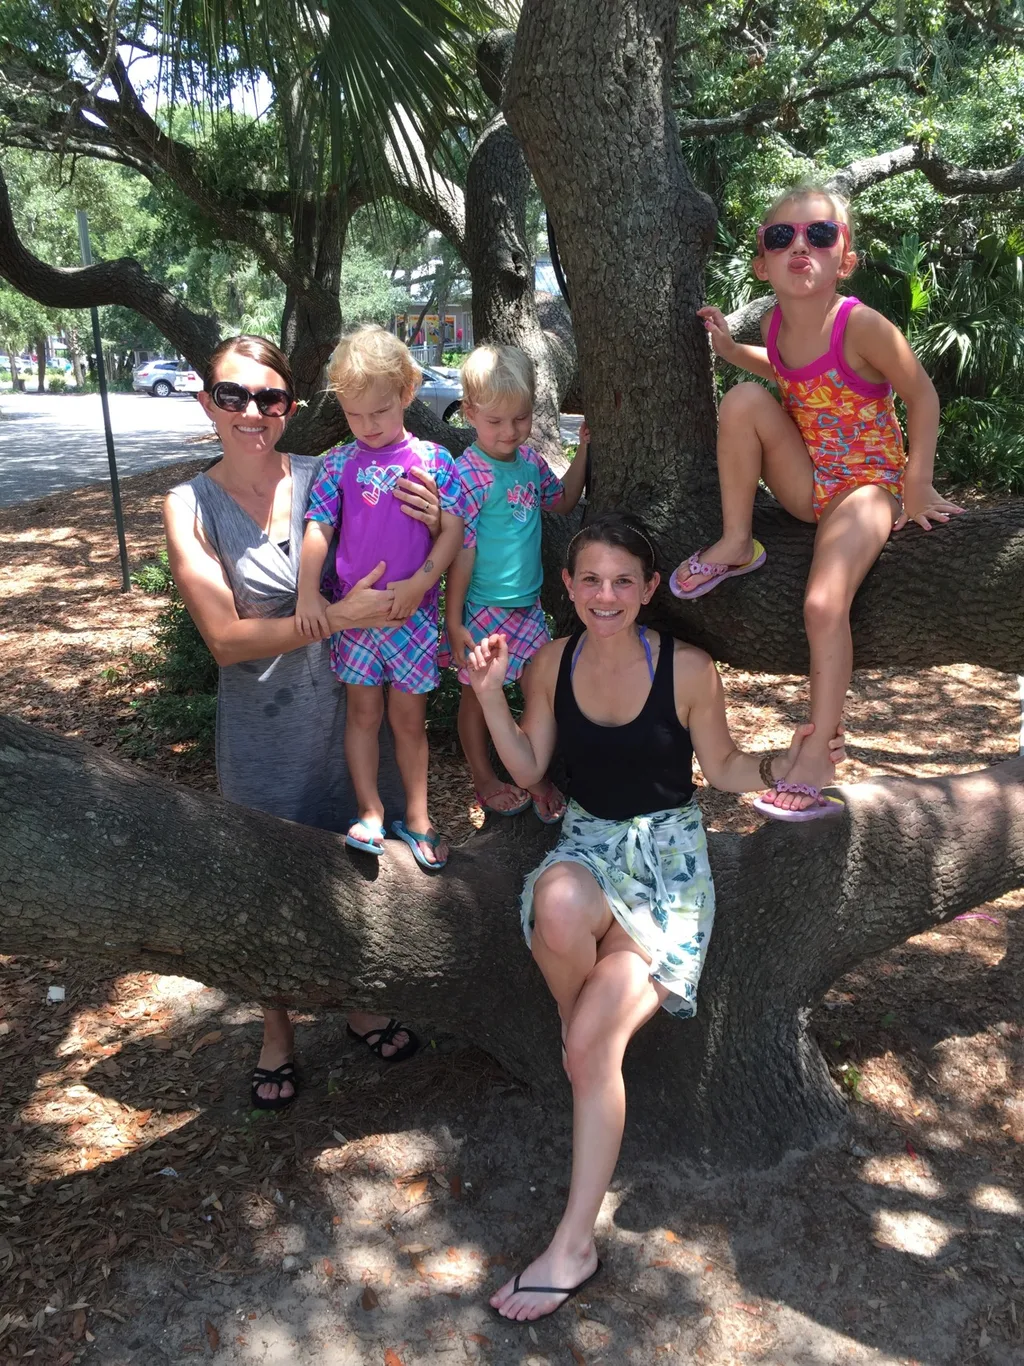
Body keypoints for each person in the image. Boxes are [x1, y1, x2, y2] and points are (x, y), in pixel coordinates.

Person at [465, 512, 845, 1321]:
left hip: (668, 868)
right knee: (557, 907)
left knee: (591, 1043)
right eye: (590, 580)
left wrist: (792, 760)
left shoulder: (688, 668)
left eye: (623, 581)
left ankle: (574, 1241)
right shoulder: (549, 663)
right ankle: (586, 1045)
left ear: (646, 589)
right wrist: (489, 695)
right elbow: (529, 765)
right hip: (589, 846)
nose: (607, 594)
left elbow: (728, 766)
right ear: (567, 587)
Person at [163, 334, 440, 1109]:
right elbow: (224, 640)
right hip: (266, 731)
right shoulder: (190, 504)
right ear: (207, 401)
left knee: (355, 865)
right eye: (233, 396)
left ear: (291, 407)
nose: (252, 413)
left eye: (270, 399)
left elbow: (422, 516)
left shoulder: (333, 471)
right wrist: (337, 615)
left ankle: (356, 1000)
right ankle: (277, 1028)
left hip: (356, 710)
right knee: (266, 884)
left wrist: (434, 519)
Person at [669, 185, 963, 820]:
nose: (801, 246)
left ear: (844, 258)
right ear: (762, 264)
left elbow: (923, 396)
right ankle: (736, 540)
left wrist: (918, 482)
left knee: (823, 603)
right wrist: (727, 351)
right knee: (743, 401)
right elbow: (783, 370)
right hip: (810, 484)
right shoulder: (777, 327)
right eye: (783, 238)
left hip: (867, 486)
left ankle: (818, 756)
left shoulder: (860, 324)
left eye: (820, 236)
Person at [296, 326, 464, 871]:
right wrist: (308, 596)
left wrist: (422, 584)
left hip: (412, 620)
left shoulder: (435, 461)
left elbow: (454, 533)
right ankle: (369, 813)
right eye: (354, 415)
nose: (368, 427)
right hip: (357, 618)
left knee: (409, 722)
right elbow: (319, 530)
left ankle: (417, 817)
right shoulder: (340, 463)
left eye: (380, 412)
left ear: (408, 393)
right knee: (363, 715)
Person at [441, 344, 588, 822]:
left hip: (526, 607)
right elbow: (460, 556)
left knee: (537, 692)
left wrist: (585, 447)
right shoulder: (467, 474)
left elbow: (562, 500)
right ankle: (484, 780)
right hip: (483, 607)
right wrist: (455, 620)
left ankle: (533, 773)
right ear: (470, 414)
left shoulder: (528, 463)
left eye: (520, 420)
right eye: (496, 422)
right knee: (478, 695)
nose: (509, 432)